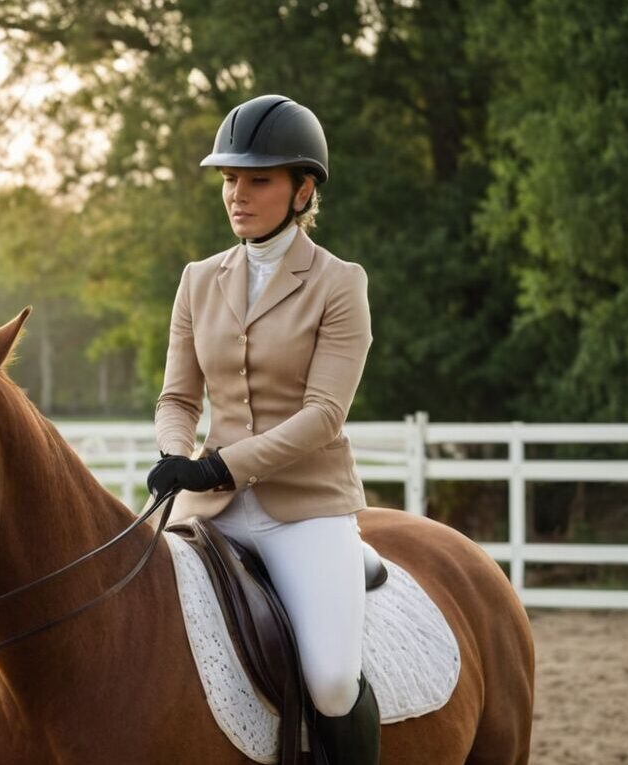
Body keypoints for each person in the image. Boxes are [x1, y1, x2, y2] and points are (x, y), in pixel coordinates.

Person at [147, 94, 379, 765]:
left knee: (332, 681)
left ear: (303, 190)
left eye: (258, 180)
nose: (237, 195)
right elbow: (177, 396)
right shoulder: (198, 280)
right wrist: (174, 454)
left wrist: (219, 465)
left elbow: (324, 415)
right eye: (229, 179)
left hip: (305, 507)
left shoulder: (339, 283)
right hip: (206, 505)